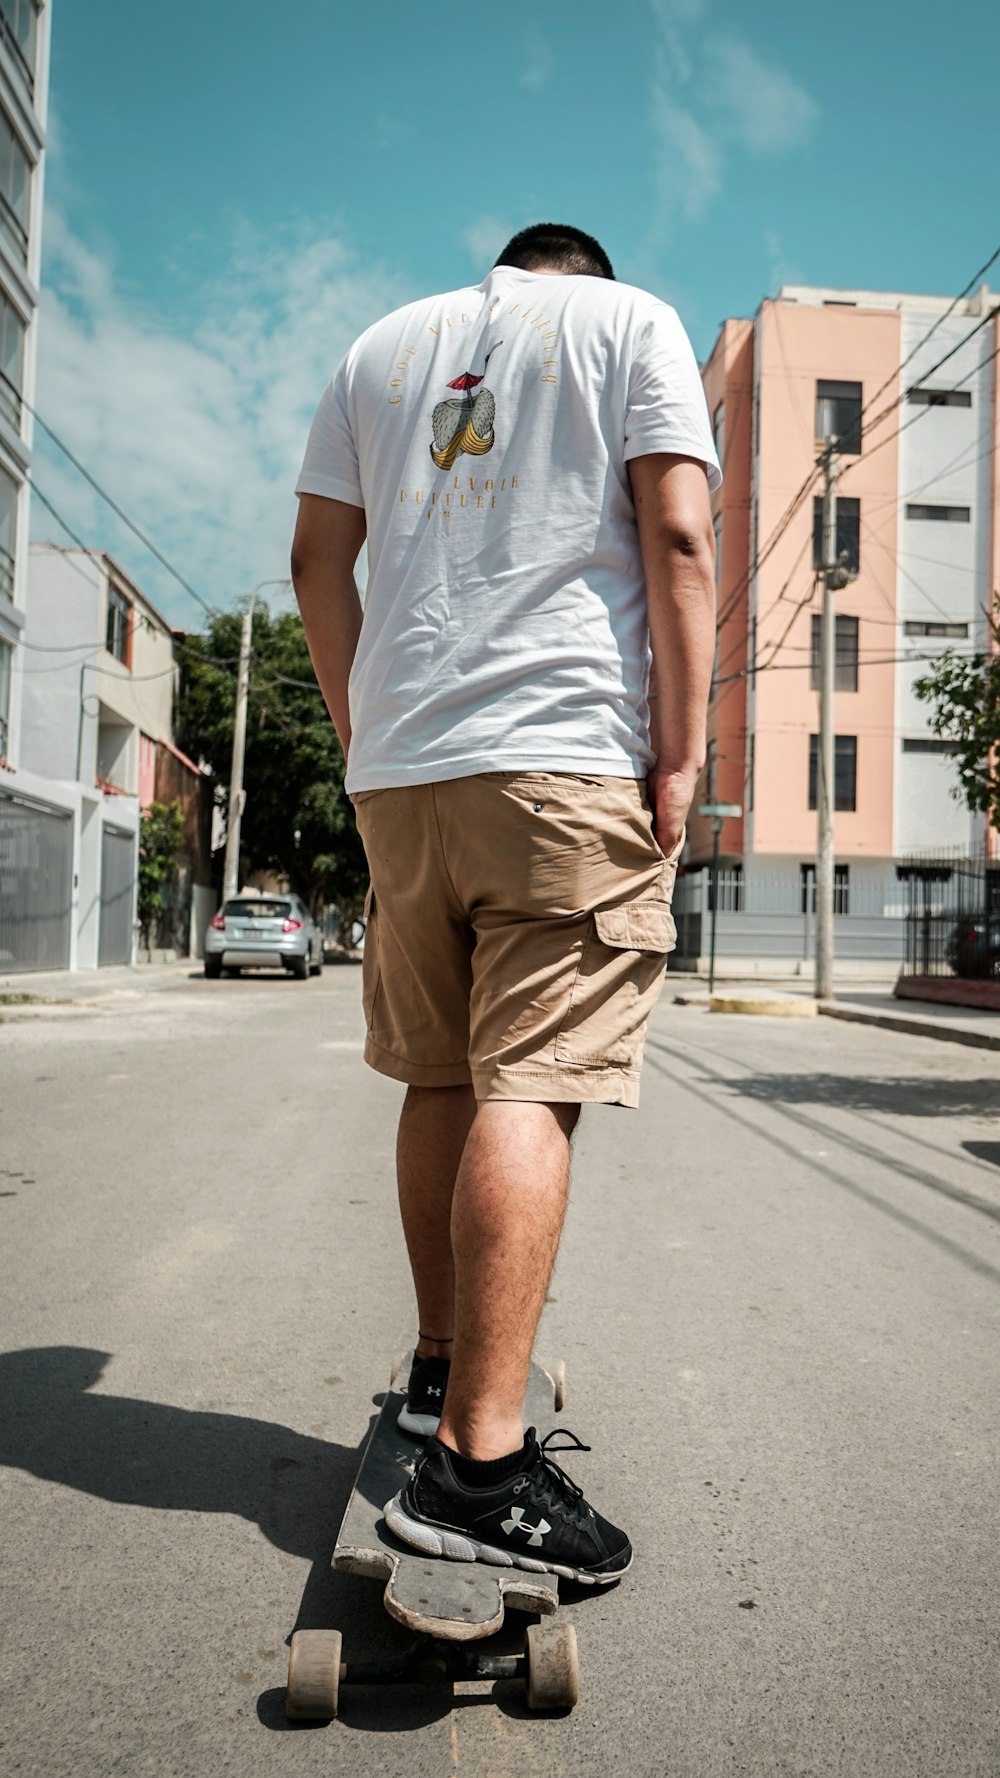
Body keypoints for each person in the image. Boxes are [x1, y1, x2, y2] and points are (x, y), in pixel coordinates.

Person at [291, 222, 719, 1584]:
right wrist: (683, 753)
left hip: (406, 771)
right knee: (529, 1081)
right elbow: (678, 531)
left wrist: (366, 744)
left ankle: (436, 1375)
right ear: (579, 282)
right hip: (561, 757)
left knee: (438, 1078)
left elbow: (317, 561)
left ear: (503, 276)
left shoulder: (378, 348)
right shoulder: (630, 324)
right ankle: (478, 1466)